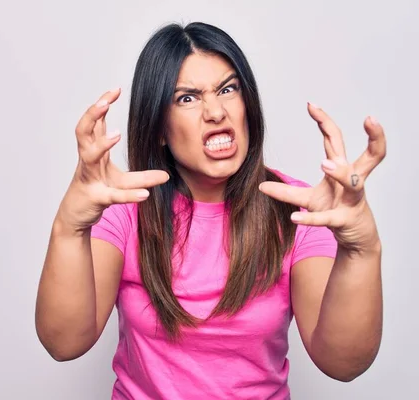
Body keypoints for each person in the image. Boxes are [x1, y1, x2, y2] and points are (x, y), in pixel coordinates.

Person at [35, 21, 385, 399]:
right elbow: (63, 343)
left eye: (228, 89)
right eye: (187, 98)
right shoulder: (125, 208)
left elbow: (344, 364)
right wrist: (69, 227)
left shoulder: (302, 210)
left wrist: (360, 250)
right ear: (158, 129)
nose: (216, 112)